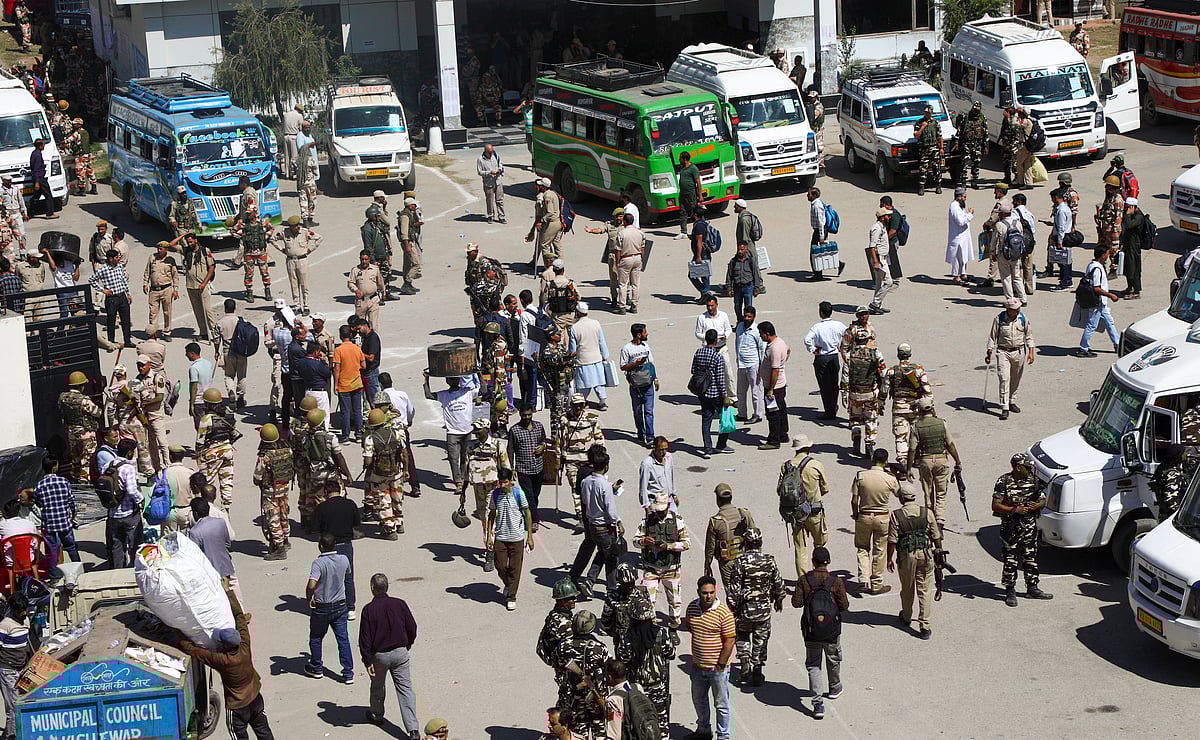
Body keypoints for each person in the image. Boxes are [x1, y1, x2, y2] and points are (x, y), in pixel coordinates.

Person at [359, 573, 419, 734]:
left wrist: (367, 661)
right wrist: (408, 644)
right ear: (387, 587)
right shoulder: (399, 604)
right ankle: (413, 729)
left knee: (378, 686)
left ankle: (377, 715)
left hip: (380, 657)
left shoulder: (368, 610)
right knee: (405, 689)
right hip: (401, 653)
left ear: (372, 588)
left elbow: (365, 639)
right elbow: (412, 627)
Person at [792, 545, 848, 720]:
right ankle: (834, 687)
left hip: (811, 631)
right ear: (828, 562)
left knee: (814, 664)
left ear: (813, 561)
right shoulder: (836, 581)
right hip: (831, 631)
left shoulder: (804, 580)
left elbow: (796, 603)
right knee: (833, 658)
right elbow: (844, 606)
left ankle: (817, 704)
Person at [993, 453, 1053, 607]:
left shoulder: (1033, 480)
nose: (1029, 469)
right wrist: (1014, 509)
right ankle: (1010, 590)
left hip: (1029, 526)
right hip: (1011, 527)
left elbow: (1042, 498)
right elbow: (995, 505)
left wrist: (1037, 505)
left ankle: (1032, 588)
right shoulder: (1004, 481)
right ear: (1018, 467)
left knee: (1030, 557)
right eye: (1027, 467)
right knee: (1010, 560)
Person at [726, 527, 784, 687]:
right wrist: (779, 599)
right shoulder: (769, 560)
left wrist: (732, 607)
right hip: (763, 610)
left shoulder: (740, 561)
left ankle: (745, 663)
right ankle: (757, 669)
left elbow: (734, 588)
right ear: (760, 542)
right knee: (761, 639)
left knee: (743, 635)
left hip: (745, 609)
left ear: (745, 543)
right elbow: (779, 583)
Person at [683, 575, 734, 740]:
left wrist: (720, 665)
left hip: (717, 669)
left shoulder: (723, 613)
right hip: (698, 666)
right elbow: (691, 627)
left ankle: (723, 736)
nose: (709, 596)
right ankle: (703, 731)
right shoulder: (692, 608)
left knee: (721, 704)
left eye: (712, 592)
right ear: (699, 592)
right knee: (699, 700)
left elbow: (730, 641)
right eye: (705, 593)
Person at [887, 482, 941, 639]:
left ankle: (906, 616)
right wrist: (939, 552)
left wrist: (889, 559)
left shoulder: (896, 515)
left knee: (907, 588)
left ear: (902, 498)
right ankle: (925, 626)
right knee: (924, 590)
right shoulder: (927, 512)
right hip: (926, 554)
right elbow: (936, 535)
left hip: (907, 556)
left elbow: (892, 540)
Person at [569, 449, 623, 597]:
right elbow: (610, 508)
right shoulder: (604, 485)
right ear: (606, 466)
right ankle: (610, 588)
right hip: (605, 526)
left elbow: (584, 500)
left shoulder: (586, 481)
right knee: (611, 557)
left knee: (602, 553)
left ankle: (590, 580)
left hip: (592, 524)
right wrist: (618, 522)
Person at [637, 490, 689, 638]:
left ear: (668, 506)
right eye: (657, 511)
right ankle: (653, 629)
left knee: (675, 601)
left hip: (671, 569)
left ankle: (673, 628)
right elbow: (635, 540)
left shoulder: (677, 521)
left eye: (662, 510)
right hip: (651, 568)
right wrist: (643, 541)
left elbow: (686, 543)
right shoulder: (646, 521)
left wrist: (669, 546)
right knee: (648, 601)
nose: (659, 513)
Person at [304, 533, 354, 683]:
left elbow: (311, 584)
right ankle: (348, 673)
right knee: (343, 639)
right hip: (340, 605)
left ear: (320, 546)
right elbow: (347, 575)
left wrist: (309, 597)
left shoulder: (318, 563)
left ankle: (316, 667)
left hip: (322, 607)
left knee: (316, 637)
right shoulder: (344, 559)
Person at [554, 611, 610, 739]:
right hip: (596, 698)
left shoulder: (563, 646)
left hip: (573, 698)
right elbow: (608, 670)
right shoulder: (600, 648)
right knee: (600, 733)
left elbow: (557, 666)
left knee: (578, 734)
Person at [907, 397, 962, 528]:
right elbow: (950, 444)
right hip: (941, 459)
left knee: (928, 492)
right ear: (932, 408)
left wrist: (908, 468)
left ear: (919, 410)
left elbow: (912, 449)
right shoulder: (942, 423)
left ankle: (930, 519)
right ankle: (940, 520)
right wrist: (958, 461)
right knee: (941, 493)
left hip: (925, 461)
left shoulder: (916, 426)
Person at [851, 447, 899, 595]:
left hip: (864, 516)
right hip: (882, 518)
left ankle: (863, 579)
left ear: (872, 459)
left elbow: (854, 500)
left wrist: (856, 514)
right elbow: (900, 495)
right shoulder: (890, 478)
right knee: (880, 551)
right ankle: (877, 584)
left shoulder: (860, 476)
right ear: (885, 461)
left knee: (862, 548)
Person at [487, 468, 534, 611]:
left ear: (511, 481)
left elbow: (527, 513)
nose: (502, 485)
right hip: (501, 536)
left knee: (515, 568)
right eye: (500, 482)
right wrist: (489, 535)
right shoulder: (495, 494)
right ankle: (509, 584)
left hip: (517, 537)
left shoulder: (519, 494)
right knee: (500, 565)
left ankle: (511, 596)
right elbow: (491, 514)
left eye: (505, 482)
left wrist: (530, 536)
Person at [560, 395, 606, 532]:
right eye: (575, 405)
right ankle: (581, 517)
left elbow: (599, 438)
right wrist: (559, 457)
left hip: (588, 460)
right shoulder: (564, 420)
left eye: (581, 404)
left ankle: (590, 513)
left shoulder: (592, 419)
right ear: (571, 405)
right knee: (576, 488)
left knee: (590, 489)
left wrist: (600, 458)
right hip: (572, 460)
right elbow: (560, 439)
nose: (578, 407)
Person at [880, 343, 933, 461]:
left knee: (900, 437)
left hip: (899, 409)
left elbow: (884, 390)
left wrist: (880, 404)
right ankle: (917, 458)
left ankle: (902, 460)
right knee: (917, 433)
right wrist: (929, 406)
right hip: (915, 408)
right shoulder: (918, 369)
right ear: (910, 355)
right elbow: (927, 390)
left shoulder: (891, 371)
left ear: (898, 355)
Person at [465, 419, 506, 571]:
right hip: (478, 488)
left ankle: (490, 552)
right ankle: (493, 546)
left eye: (478, 429)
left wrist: (506, 488)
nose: (475, 431)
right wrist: (463, 492)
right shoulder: (471, 446)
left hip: (493, 488)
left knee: (490, 517)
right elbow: (466, 469)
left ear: (487, 429)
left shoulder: (497, 445)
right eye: (475, 429)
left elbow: (505, 468)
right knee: (484, 519)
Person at [841, 321, 886, 457]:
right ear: (867, 339)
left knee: (855, 418)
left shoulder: (850, 355)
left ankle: (856, 439)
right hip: (870, 393)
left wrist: (844, 394)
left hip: (854, 393)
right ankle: (869, 445)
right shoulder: (875, 353)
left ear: (855, 339)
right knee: (871, 418)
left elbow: (845, 377)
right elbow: (884, 373)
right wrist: (883, 392)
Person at [986, 298, 1035, 420]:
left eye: (1018, 308)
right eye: (1015, 309)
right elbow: (992, 337)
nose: (1018, 310)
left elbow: (1029, 336)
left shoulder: (1023, 318)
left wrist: (1031, 353)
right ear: (1008, 309)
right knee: (1004, 378)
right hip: (1003, 352)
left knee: (1016, 378)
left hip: (1019, 352)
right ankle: (1005, 407)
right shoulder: (999, 319)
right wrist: (989, 352)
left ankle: (1011, 401)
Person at [362, 407, 406, 539]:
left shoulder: (370, 438)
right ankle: (399, 523)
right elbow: (404, 453)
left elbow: (368, 460)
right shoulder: (395, 433)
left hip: (378, 476)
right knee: (397, 498)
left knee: (383, 501)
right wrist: (406, 469)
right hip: (396, 472)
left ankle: (390, 529)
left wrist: (367, 465)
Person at [703, 483, 755, 592]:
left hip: (727, 563)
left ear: (718, 500)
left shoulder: (715, 521)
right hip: (745, 559)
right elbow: (755, 536)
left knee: (731, 592)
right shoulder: (744, 514)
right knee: (747, 590)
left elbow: (710, 547)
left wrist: (707, 564)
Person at [188, 498, 239, 607]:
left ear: (195, 513)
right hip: (226, 565)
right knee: (234, 593)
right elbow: (227, 543)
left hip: (210, 572)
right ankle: (240, 613)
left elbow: (195, 556)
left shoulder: (194, 532)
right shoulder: (220, 522)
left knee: (222, 601)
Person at [253, 423, 293, 560]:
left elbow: (257, 477)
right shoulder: (287, 450)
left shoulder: (265, 456)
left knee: (273, 517)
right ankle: (285, 540)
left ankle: (279, 548)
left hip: (270, 490)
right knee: (284, 513)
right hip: (284, 487)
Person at [1073, 246, 1121, 358]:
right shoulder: (1097, 269)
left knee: (1109, 322)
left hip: (1100, 303)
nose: (1108, 256)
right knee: (1091, 325)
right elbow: (1096, 288)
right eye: (1107, 254)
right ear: (1103, 255)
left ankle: (1118, 344)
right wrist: (1110, 295)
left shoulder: (1091, 265)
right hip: (1097, 302)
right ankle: (1083, 348)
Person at [539, 579, 580, 709]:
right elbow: (571, 649)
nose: (574, 600)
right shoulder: (563, 622)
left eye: (574, 597)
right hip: (566, 667)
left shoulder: (556, 615)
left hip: (561, 665)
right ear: (561, 601)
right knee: (567, 700)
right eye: (570, 598)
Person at [507, 403, 548, 530]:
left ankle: (529, 511)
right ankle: (534, 520)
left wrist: (543, 446)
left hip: (538, 467)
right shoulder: (514, 430)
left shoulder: (539, 426)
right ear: (520, 414)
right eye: (524, 415)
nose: (527, 417)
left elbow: (544, 440)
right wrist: (511, 469)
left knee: (535, 494)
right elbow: (510, 450)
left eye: (529, 415)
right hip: (523, 469)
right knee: (528, 494)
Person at [692, 329, 732, 458]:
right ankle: (721, 444)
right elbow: (720, 379)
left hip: (703, 393)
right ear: (716, 341)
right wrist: (725, 395)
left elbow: (693, 370)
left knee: (706, 421)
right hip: (716, 394)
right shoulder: (717, 356)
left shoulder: (698, 352)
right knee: (725, 419)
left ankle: (707, 449)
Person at [196, 388, 238, 508]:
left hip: (213, 452)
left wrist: (199, 455)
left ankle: (208, 507)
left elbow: (199, 441)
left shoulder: (206, 419)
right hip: (228, 450)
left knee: (207, 481)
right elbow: (234, 434)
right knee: (227, 481)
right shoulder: (228, 416)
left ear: (208, 404)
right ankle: (227, 506)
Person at [803, 302, 844, 421]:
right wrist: (842, 347)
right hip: (834, 357)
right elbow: (848, 335)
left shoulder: (817, 327)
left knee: (825, 386)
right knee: (834, 383)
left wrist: (812, 349)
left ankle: (829, 411)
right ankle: (833, 405)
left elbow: (807, 339)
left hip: (822, 358)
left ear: (821, 313)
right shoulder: (839, 325)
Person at [106, 438, 143, 569]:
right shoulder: (128, 468)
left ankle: (118, 572)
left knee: (117, 546)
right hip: (128, 513)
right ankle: (136, 569)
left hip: (113, 514)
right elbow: (132, 490)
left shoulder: (109, 465)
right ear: (129, 452)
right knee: (136, 544)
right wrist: (141, 499)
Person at [33, 458, 78, 565]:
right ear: (54, 467)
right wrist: (73, 515)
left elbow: (38, 503)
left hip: (48, 524)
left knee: (52, 551)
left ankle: (54, 573)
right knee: (71, 547)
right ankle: (78, 568)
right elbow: (71, 501)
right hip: (64, 522)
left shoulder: (39, 485)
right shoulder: (64, 481)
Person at [58, 371, 101, 482]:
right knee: (87, 458)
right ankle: (84, 480)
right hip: (85, 432)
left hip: (71, 432)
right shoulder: (84, 400)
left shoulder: (63, 398)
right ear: (81, 386)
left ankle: (75, 476)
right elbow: (97, 413)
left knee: (75, 457)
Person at [619, 323, 656, 446]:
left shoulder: (646, 346)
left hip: (648, 384)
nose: (647, 334)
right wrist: (635, 364)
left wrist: (655, 378)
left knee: (649, 412)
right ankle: (641, 433)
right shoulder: (627, 348)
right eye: (645, 332)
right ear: (639, 335)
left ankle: (650, 437)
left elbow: (651, 363)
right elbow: (623, 366)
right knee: (638, 411)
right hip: (636, 386)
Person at [569, 303, 610, 409]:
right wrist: (605, 355)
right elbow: (602, 341)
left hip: (583, 360)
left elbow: (572, 349)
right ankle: (602, 401)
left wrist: (570, 358)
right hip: (596, 358)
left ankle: (583, 401)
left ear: (578, 313)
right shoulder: (596, 323)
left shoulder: (574, 328)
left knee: (583, 384)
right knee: (599, 382)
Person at [89, 249, 133, 348]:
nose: (118, 258)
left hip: (122, 296)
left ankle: (127, 341)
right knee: (111, 321)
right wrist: (103, 290)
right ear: (111, 259)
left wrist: (128, 294)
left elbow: (124, 281)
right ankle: (111, 342)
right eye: (116, 257)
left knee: (126, 320)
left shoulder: (120, 267)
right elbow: (92, 280)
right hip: (112, 299)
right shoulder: (103, 269)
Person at [695, 295, 735, 400]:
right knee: (708, 374)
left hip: (722, 348)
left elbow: (728, 329)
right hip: (708, 350)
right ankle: (707, 394)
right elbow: (698, 333)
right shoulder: (701, 318)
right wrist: (708, 338)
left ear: (716, 305)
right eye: (708, 306)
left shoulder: (723, 315)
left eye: (712, 306)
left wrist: (725, 336)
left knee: (728, 372)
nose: (710, 308)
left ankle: (732, 396)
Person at [333, 325, 366, 441]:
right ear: (351, 335)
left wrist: (336, 384)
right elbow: (364, 365)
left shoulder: (338, 350)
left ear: (340, 335)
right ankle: (359, 434)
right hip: (357, 383)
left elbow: (337, 368)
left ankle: (345, 435)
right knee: (357, 410)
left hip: (344, 384)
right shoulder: (357, 348)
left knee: (345, 411)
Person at [527, 178, 563, 266]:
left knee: (544, 245)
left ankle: (548, 267)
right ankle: (560, 265)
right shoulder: (553, 193)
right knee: (557, 245)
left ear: (543, 187)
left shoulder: (547, 196)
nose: (537, 187)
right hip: (558, 222)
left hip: (551, 224)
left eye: (539, 185)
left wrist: (541, 221)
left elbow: (550, 212)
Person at [613, 213, 644, 315]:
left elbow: (618, 250)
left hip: (626, 258)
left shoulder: (622, 233)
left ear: (624, 222)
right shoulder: (640, 233)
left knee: (623, 284)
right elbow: (642, 248)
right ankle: (634, 305)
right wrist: (641, 260)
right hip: (637, 257)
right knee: (635, 283)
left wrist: (618, 262)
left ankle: (622, 306)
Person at [866, 208, 896, 313]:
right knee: (888, 282)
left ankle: (878, 305)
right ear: (882, 217)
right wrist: (875, 262)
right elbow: (872, 246)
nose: (889, 217)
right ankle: (875, 303)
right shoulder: (877, 228)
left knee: (879, 284)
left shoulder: (882, 227)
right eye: (887, 216)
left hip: (882, 259)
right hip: (879, 260)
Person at [724, 241, 762, 320]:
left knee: (748, 307)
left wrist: (757, 288)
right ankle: (740, 321)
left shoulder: (751, 261)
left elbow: (756, 274)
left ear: (746, 249)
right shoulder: (733, 261)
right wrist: (729, 288)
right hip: (737, 287)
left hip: (748, 287)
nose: (740, 251)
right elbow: (729, 276)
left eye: (742, 249)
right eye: (738, 249)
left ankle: (748, 322)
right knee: (737, 306)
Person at [348, 250, 386, 330]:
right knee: (359, 325)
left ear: (369, 259)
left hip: (373, 299)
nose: (364, 261)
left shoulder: (375, 269)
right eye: (362, 259)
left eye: (366, 259)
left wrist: (383, 293)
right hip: (361, 301)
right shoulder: (355, 270)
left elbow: (380, 282)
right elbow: (350, 283)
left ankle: (373, 338)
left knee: (373, 324)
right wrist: (356, 290)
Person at [955, 102, 988, 190]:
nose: (975, 111)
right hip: (967, 144)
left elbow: (986, 132)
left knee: (976, 163)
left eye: (977, 110)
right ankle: (963, 182)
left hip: (977, 144)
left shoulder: (982, 118)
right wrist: (957, 142)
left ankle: (974, 181)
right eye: (974, 109)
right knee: (965, 163)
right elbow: (960, 130)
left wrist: (986, 146)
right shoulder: (966, 117)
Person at [1150, 444, 1187, 522]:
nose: (1185, 455)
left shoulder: (1164, 469)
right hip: (1171, 517)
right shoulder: (1173, 475)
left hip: (1165, 515)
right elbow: (1171, 502)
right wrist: (1182, 515)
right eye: (1183, 453)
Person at [1048, 189, 1075, 291]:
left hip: (1062, 238)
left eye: (1052, 198)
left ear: (1056, 197)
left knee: (1062, 260)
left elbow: (1061, 227)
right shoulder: (1065, 208)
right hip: (1066, 236)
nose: (1052, 200)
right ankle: (1068, 280)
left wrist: (1059, 242)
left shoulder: (1061, 210)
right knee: (1067, 259)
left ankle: (1064, 284)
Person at [946, 187, 975, 284]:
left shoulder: (960, 206)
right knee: (957, 257)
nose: (965, 199)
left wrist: (968, 214)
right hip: (957, 237)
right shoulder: (954, 206)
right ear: (959, 197)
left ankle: (963, 274)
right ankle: (956, 276)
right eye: (964, 197)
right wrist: (970, 214)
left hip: (964, 236)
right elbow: (960, 221)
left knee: (964, 256)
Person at [395, 198, 423, 296]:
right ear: (410, 205)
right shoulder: (405, 216)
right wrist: (407, 245)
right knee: (416, 263)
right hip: (408, 242)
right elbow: (404, 232)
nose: (415, 207)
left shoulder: (408, 214)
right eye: (414, 205)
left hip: (410, 241)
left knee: (407, 263)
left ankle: (409, 285)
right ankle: (407, 282)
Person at [915, 104, 943, 196]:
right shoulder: (919, 122)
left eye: (929, 113)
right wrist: (922, 127)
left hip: (934, 148)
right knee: (923, 169)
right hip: (924, 149)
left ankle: (938, 186)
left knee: (936, 167)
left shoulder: (935, 122)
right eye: (926, 112)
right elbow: (916, 135)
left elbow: (939, 136)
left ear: (931, 113)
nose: (927, 114)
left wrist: (941, 148)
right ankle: (921, 187)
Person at [1120, 196, 1145, 299]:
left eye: (1128, 207)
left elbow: (1129, 225)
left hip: (1134, 246)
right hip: (1128, 244)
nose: (1126, 209)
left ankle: (1136, 291)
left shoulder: (1138, 217)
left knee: (1134, 268)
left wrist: (1127, 214)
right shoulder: (1130, 214)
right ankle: (1129, 287)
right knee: (1128, 267)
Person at [687, 209, 715, 298]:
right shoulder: (703, 223)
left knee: (692, 275)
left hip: (702, 254)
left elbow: (699, 241)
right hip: (705, 253)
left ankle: (705, 293)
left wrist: (698, 256)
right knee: (705, 276)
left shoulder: (698, 226)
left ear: (695, 214)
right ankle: (705, 295)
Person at [477, 143, 506, 224]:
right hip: (488, 183)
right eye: (489, 152)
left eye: (492, 152)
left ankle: (501, 216)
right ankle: (490, 216)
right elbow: (480, 172)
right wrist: (489, 172)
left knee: (500, 200)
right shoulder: (480, 160)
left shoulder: (495, 155)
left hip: (498, 181)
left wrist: (499, 170)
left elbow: (500, 164)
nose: (491, 154)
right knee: (489, 200)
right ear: (485, 151)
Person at [676, 152, 701, 239]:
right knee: (683, 212)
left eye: (680, 158)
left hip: (691, 194)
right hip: (683, 194)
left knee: (695, 212)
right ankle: (683, 232)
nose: (679, 160)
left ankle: (701, 229)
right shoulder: (682, 168)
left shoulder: (693, 168)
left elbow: (698, 182)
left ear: (684, 159)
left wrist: (700, 195)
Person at [28, 139, 55, 218]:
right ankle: (50, 213)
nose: (44, 146)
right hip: (40, 179)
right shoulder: (37, 155)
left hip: (38, 178)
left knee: (36, 196)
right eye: (43, 144)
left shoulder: (35, 153)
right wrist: (37, 182)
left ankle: (29, 212)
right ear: (40, 146)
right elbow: (36, 169)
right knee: (48, 196)